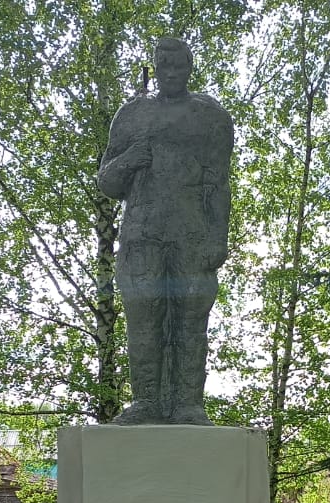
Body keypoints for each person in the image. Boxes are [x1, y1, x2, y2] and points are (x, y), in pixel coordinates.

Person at [97, 36, 233, 426]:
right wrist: (129, 161)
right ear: (155, 67)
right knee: (143, 319)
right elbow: (106, 181)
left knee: (191, 319)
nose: (171, 73)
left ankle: (189, 404)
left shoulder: (210, 116)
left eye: (179, 65)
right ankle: (147, 402)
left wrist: (218, 237)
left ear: (190, 67)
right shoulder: (131, 115)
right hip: (142, 234)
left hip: (192, 234)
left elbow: (220, 183)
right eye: (164, 65)